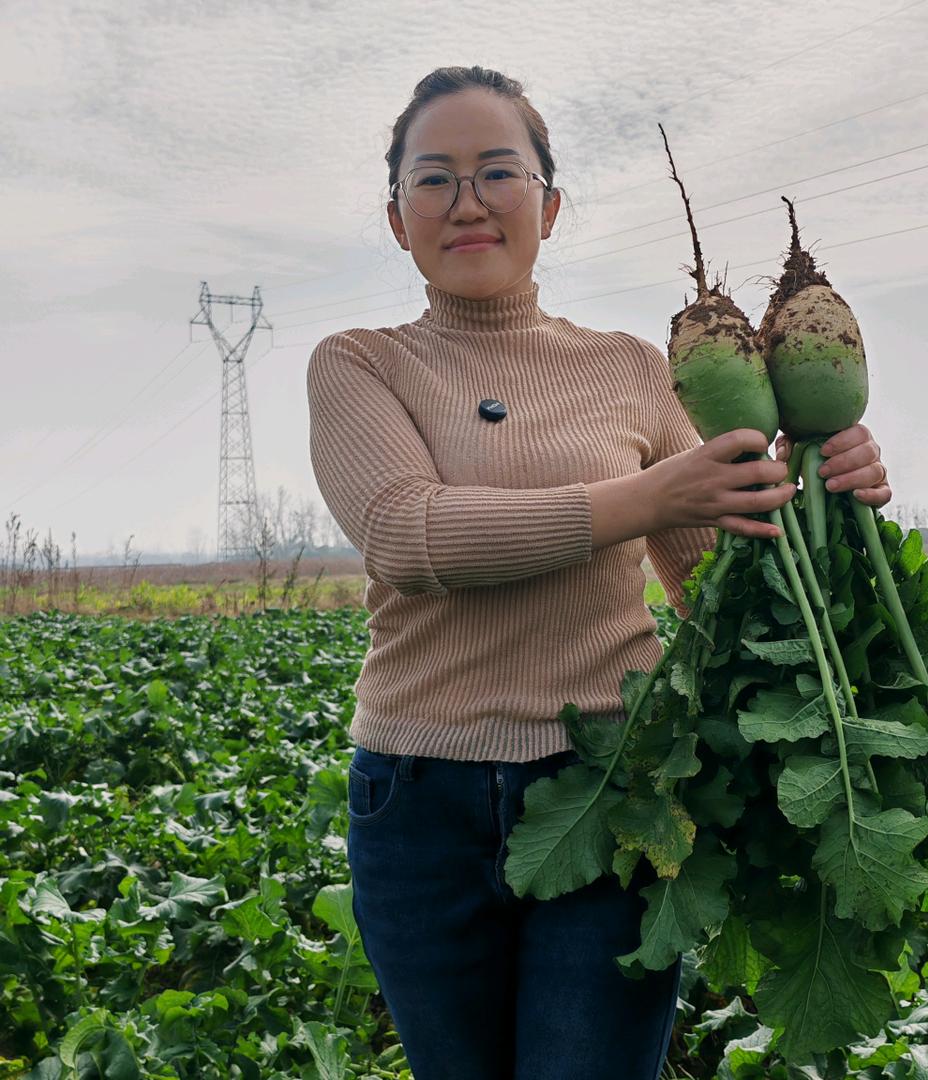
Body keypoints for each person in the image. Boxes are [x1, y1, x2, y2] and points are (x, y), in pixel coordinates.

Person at [306, 64, 892, 1080]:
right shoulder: (360, 362)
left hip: (617, 784)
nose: (469, 201)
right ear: (397, 220)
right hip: (417, 804)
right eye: (433, 179)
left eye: (499, 171)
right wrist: (646, 499)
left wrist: (825, 477)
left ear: (550, 204)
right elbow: (410, 536)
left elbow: (723, 565)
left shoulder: (630, 367)